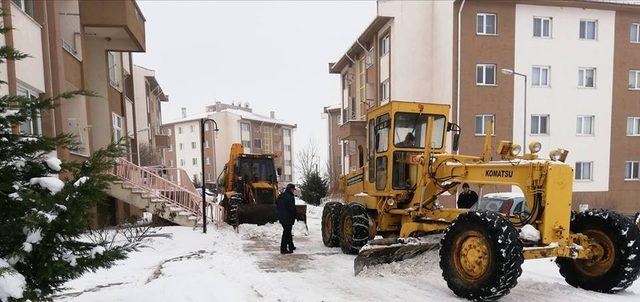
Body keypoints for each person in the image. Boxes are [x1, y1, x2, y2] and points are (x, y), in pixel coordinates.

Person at [276, 183, 297, 254]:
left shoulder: (280, 195)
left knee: (288, 231)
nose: (293, 191)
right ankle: (283, 249)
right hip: (288, 217)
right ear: (290, 189)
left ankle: (291, 246)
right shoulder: (290, 197)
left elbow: (277, 206)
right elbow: (292, 208)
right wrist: (295, 215)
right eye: (293, 190)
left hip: (282, 217)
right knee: (286, 233)